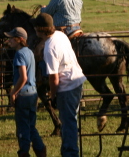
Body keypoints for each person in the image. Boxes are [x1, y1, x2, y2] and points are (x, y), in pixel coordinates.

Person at [31, 13, 86, 157]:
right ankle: (68, 150)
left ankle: (70, 153)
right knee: (71, 120)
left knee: (68, 123)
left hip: (66, 86)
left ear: (39, 29)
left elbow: (53, 78)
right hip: (77, 81)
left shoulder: (49, 49)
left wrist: (53, 96)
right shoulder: (61, 35)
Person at [5, 27, 46, 157]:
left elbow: (23, 77)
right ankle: (41, 151)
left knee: (22, 127)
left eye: (12, 38)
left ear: (20, 39)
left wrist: (13, 93)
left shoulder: (19, 54)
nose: (9, 40)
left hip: (23, 95)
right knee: (31, 126)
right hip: (33, 93)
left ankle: (24, 152)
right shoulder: (29, 52)